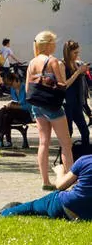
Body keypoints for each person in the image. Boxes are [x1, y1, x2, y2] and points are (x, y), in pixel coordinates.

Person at [25, 30, 75, 186]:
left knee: (43, 142)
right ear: (48, 45)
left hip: (37, 105)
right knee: (66, 143)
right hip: (52, 106)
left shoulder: (32, 62)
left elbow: (27, 88)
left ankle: (45, 181)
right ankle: (70, 181)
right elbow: (63, 85)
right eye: (53, 42)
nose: (55, 45)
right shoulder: (54, 61)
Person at [0, 150, 92, 220]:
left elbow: (60, 185)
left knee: (32, 206)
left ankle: (3, 214)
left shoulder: (85, 160)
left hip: (66, 206)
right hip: (87, 214)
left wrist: (60, 172)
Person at [65, 41, 91, 152]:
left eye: (78, 52)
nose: (77, 55)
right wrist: (78, 72)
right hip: (67, 103)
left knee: (85, 131)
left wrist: (83, 72)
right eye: (74, 52)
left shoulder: (77, 63)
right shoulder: (63, 65)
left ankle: (85, 157)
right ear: (68, 52)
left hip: (77, 102)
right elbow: (65, 84)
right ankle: (66, 157)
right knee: (68, 132)